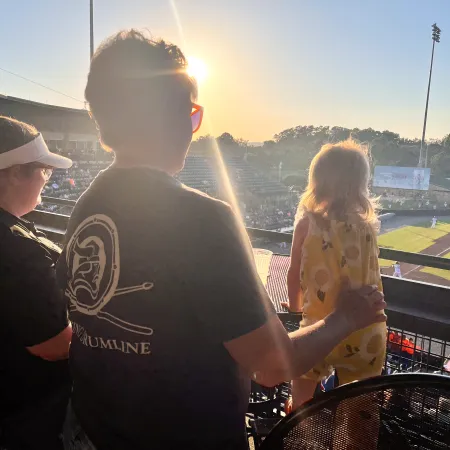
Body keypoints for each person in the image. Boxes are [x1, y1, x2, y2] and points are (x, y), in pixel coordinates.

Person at [57, 30, 386, 450]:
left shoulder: (86, 207)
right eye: (192, 114)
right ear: (173, 115)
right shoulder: (202, 218)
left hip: (94, 428)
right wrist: (346, 317)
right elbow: (271, 365)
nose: (193, 130)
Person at [284, 139, 387, 409]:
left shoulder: (307, 224)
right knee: (360, 415)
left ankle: (300, 439)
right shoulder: (368, 227)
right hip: (367, 329)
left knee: (301, 408)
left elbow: (293, 274)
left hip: (320, 329)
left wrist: (295, 308)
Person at [0, 117, 73, 449]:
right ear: (16, 172)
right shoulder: (16, 249)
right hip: (25, 416)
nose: (47, 179)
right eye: (44, 170)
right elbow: (54, 345)